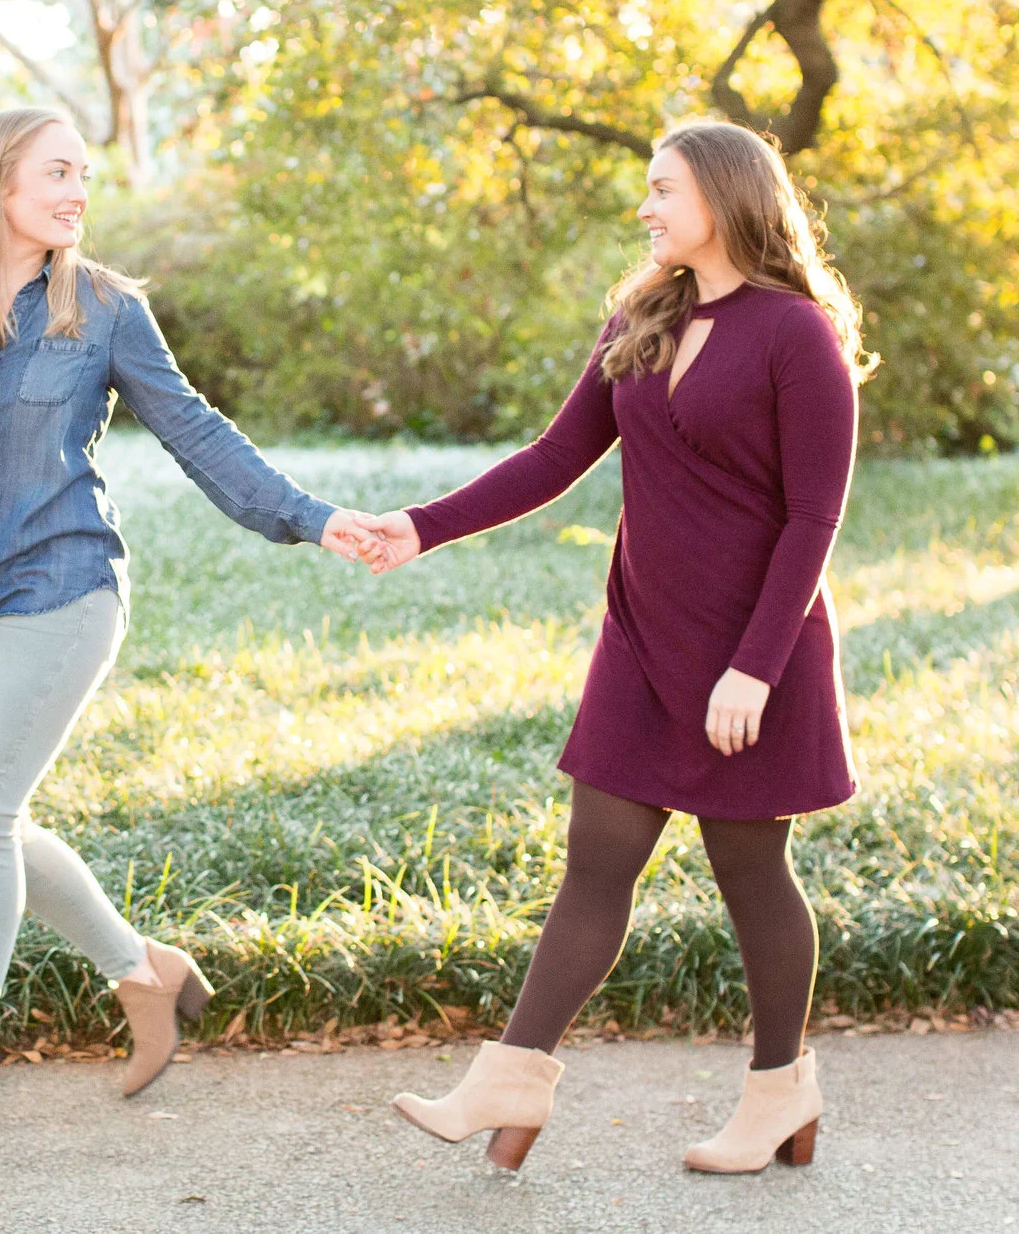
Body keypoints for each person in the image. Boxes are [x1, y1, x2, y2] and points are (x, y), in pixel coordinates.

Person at [0, 105, 381, 1142]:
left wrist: (311, 516)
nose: (76, 192)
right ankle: (143, 969)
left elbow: (193, 429)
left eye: (83, 175)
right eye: (57, 172)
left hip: (64, 588)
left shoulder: (103, 307)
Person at [367, 119, 871, 1175]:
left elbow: (811, 515)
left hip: (750, 654)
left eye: (663, 188)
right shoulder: (642, 314)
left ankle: (780, 1088)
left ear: (726, 197)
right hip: (644, 641)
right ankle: (511, 1074)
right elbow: (555, 456)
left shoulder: (795, 334)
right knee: (596, 860)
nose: (644, 208)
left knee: (749, 868)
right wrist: (423, 524)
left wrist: (756, 665)